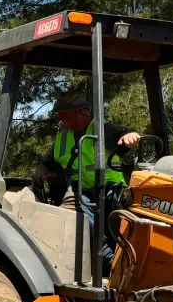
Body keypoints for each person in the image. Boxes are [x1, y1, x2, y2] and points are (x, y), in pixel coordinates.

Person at [33, 83, 141, 270]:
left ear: (80, 112)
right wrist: (41, 170)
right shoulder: (63, 138)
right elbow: (48, 162)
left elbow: (121, 139)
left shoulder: (102, 128)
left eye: (64, 114)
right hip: (81, 192)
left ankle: (133, 255)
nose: (60, 119)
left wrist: (129, 137)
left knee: (131, 213)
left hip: (110, 188)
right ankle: (111, 259)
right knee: (78, 217)